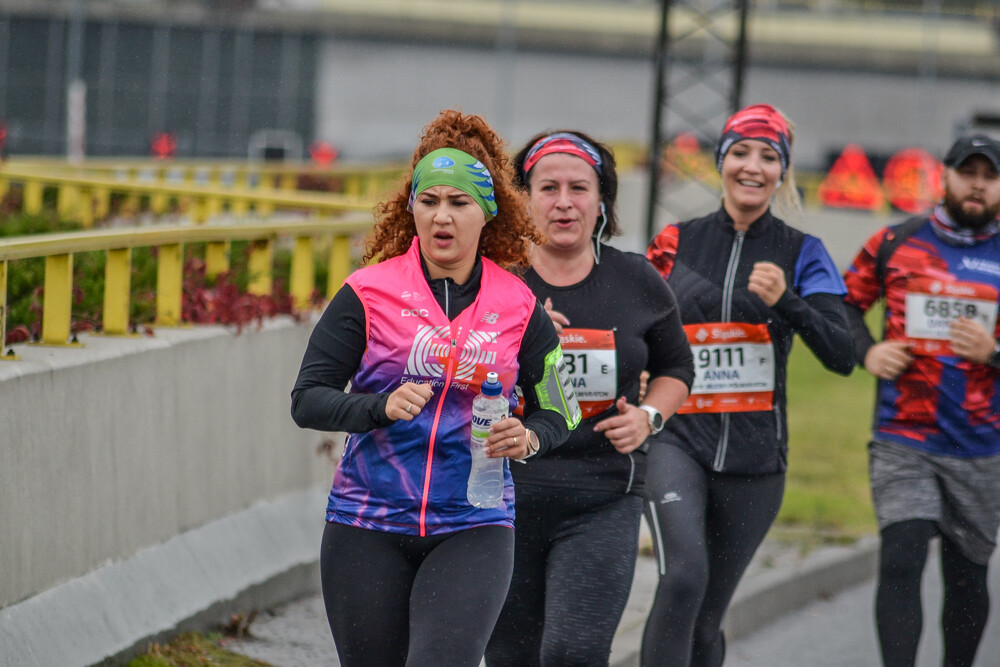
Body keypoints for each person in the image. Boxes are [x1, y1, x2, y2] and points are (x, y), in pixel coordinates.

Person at [290, 109, 579, 667]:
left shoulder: (520, 306)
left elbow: (563, 411)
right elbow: (307, 399)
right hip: (367, 522)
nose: (441, 216)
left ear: (487, 213)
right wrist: (379, 407)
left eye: (458, 202)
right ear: (412, 208)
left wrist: (530, 437)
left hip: (473, 524)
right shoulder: (367, 293)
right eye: (429, 201)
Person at [642, 104, 855, 666]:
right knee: (682, 578)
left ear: (783, 172)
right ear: (721, 161)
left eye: (768, 156)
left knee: (706, 620)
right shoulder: (676, 240)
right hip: (676, 440)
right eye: (740, 152)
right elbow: (634, 326)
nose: (752, 167)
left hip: (755, 461)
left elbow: (842, 355)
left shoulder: (803, 252)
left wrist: (788, 302)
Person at [485, 130, 694, 666]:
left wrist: (648, 417)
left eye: (579, 188)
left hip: (603, 495)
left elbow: (676, 368)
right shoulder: (495, 281)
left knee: (574, 652)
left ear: (602, 200)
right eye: (548, 187)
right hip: (503, 496)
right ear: (523, 199)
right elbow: (451, 369)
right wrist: (519, 336)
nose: (564, 202)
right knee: (509, 657)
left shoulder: (636, 279)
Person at [842, 134, 1000, 667]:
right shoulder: (896, 240)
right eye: (967, 172)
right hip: (902, 437)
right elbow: (842, 304)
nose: (977, 185)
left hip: (981, 446)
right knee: (901, 558)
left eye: (990, 176)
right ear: (944, 176)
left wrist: (993, 351)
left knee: (967, 574)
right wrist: (868, 351)